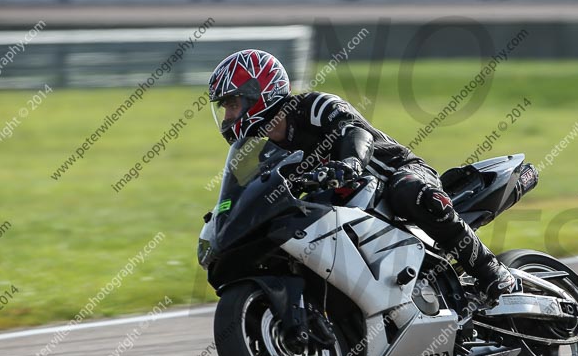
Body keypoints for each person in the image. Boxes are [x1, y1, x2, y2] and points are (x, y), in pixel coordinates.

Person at [208, 49, 518, 302]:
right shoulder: (268, 152)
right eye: (225, 108)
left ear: (258, 92)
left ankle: (491, 271)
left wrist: (350, 164)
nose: (228, 117)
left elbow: (353, 131)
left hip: (397, 174)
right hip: (352, 204)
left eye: (232, 104)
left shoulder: (313, 106)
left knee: (407, 190)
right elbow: (257, 188)